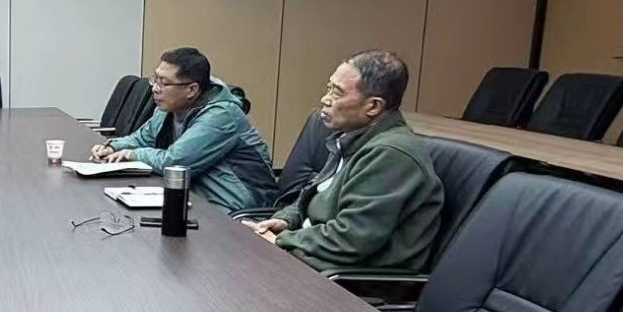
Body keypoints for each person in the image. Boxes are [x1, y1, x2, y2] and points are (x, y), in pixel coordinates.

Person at [248, 50, 444, 272]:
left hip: (351, 278)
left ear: (373, 106)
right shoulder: (351, 138)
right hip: (314, 256)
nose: (325, 99)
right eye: (329, 88)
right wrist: (286, 220)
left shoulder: (390, 154)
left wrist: (283, 241)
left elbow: (351, 239)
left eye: (337, 93)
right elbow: (317, 195)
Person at [90, 47, 279, 213]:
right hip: (196, 201)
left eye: (164, 83)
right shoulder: (169, 107)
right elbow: (142, 138)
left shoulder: (221, 116)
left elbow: (175, 163)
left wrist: (132, 154)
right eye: (155, 79)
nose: (155, 89)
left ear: (191, 90)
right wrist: (113, 146)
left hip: (236, 210)